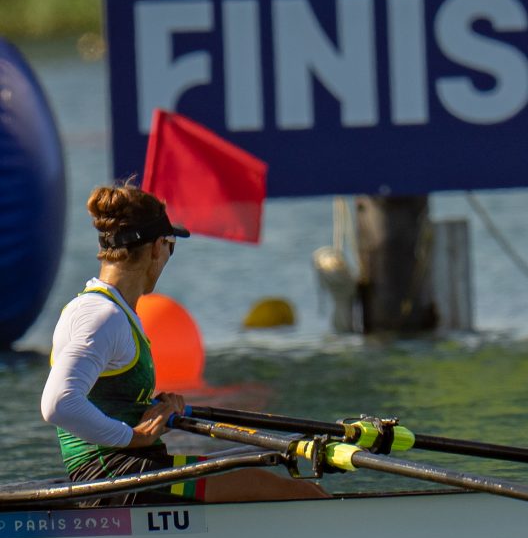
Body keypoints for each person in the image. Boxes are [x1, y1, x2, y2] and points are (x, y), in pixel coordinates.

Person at [41, 180, 329, 504]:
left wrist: (155, 409)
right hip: (116, 478)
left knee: (306, 492)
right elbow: (58, 403)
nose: (166, 258)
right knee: (300, 495)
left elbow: (103, 400)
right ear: (154, 248)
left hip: (130, 471)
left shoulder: (111, 310)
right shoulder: (100, 315)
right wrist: (132, 437)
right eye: (170, 246)